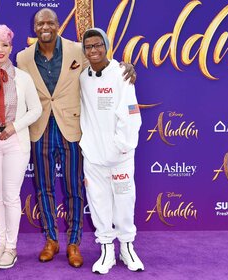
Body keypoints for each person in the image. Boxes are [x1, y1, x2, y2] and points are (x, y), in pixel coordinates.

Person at [16, 8, 136, 268]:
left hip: (72, 128)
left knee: (74, 188)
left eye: (50, 22)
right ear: (34, 27)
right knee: (44, 187)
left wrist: (125, 67)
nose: (45, 27)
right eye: (40, 23)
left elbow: (101, 66)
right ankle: (51, 240)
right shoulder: (23, 57)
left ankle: (73, 243)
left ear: (58, 25)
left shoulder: (77, 50)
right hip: (39, 129)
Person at [79, 28, 144, 274]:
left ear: (106, 46)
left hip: (121, 157)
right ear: (84, 51)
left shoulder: (121, 74)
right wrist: (90, 146)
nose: (93, 51)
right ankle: (106, 250)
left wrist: (122, 147)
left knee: (125, 202)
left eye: (98, 45)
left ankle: (127, 248)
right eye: (89, 47)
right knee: (98, 203)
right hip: (93, 156)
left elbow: (131, 114)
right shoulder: (83, 77)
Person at [0, 24, 42, 269]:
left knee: (11, 196)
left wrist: (15, 126)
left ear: (11, 47)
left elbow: (36, 110)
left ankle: (12, 247)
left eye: (4, 45)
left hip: (15, 142)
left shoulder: (23, 78)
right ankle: (1, 244)